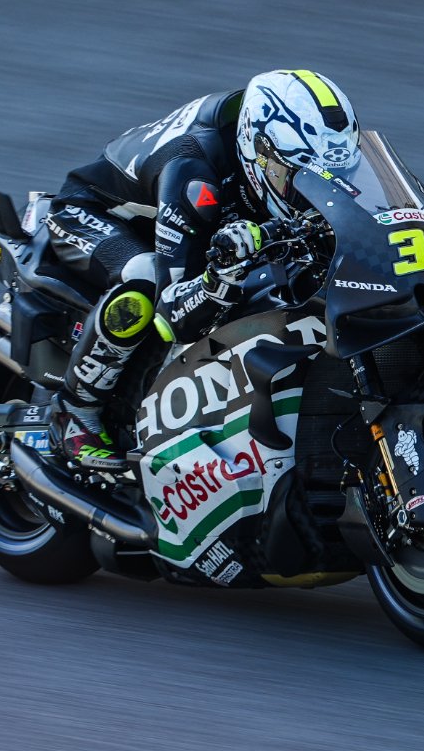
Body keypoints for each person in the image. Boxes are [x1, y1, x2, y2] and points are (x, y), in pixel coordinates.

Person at [46, 68, 362, 468]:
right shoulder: (194, 172)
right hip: (91, 212)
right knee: (144, 277)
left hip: (177, 218)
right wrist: (218, 281)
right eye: (296, 175)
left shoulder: (299, 148)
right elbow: (172, 316)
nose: (310, 188)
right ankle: (74, 411)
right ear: (257, 150)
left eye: (330, 174)